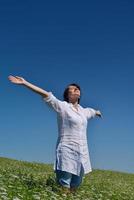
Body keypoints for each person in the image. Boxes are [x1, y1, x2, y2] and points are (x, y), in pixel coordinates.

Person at [8, 75, 102, 193]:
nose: (76, 89)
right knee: (65, 184)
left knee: (76, 184)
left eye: (77, 88)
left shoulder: (84, 111)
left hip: (82, 152)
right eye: (72, 89)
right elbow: (45, 94)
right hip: (67, 149)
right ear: (67, 95)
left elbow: (93, 112)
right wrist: (25, 83)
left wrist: (98, 112)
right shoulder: (62, 106)